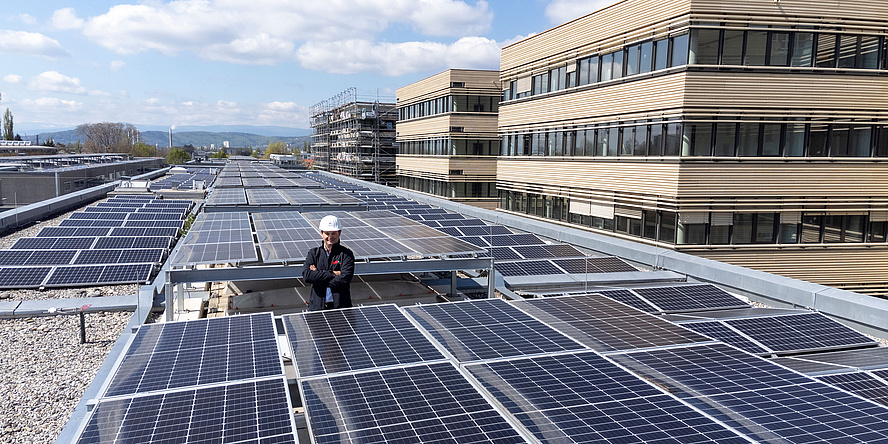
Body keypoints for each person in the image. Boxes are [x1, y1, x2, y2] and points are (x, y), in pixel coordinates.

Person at [302, 215, 355, 311]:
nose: (330, 237)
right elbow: (307, 276)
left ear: (339, 233)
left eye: (333, 233)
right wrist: (334, 273)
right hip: (317, 307)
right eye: (327, 233)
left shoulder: (346, 254)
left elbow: (345, 279)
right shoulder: (314, 253)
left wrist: (318, 275)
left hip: (341, 307)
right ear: (321, 233)